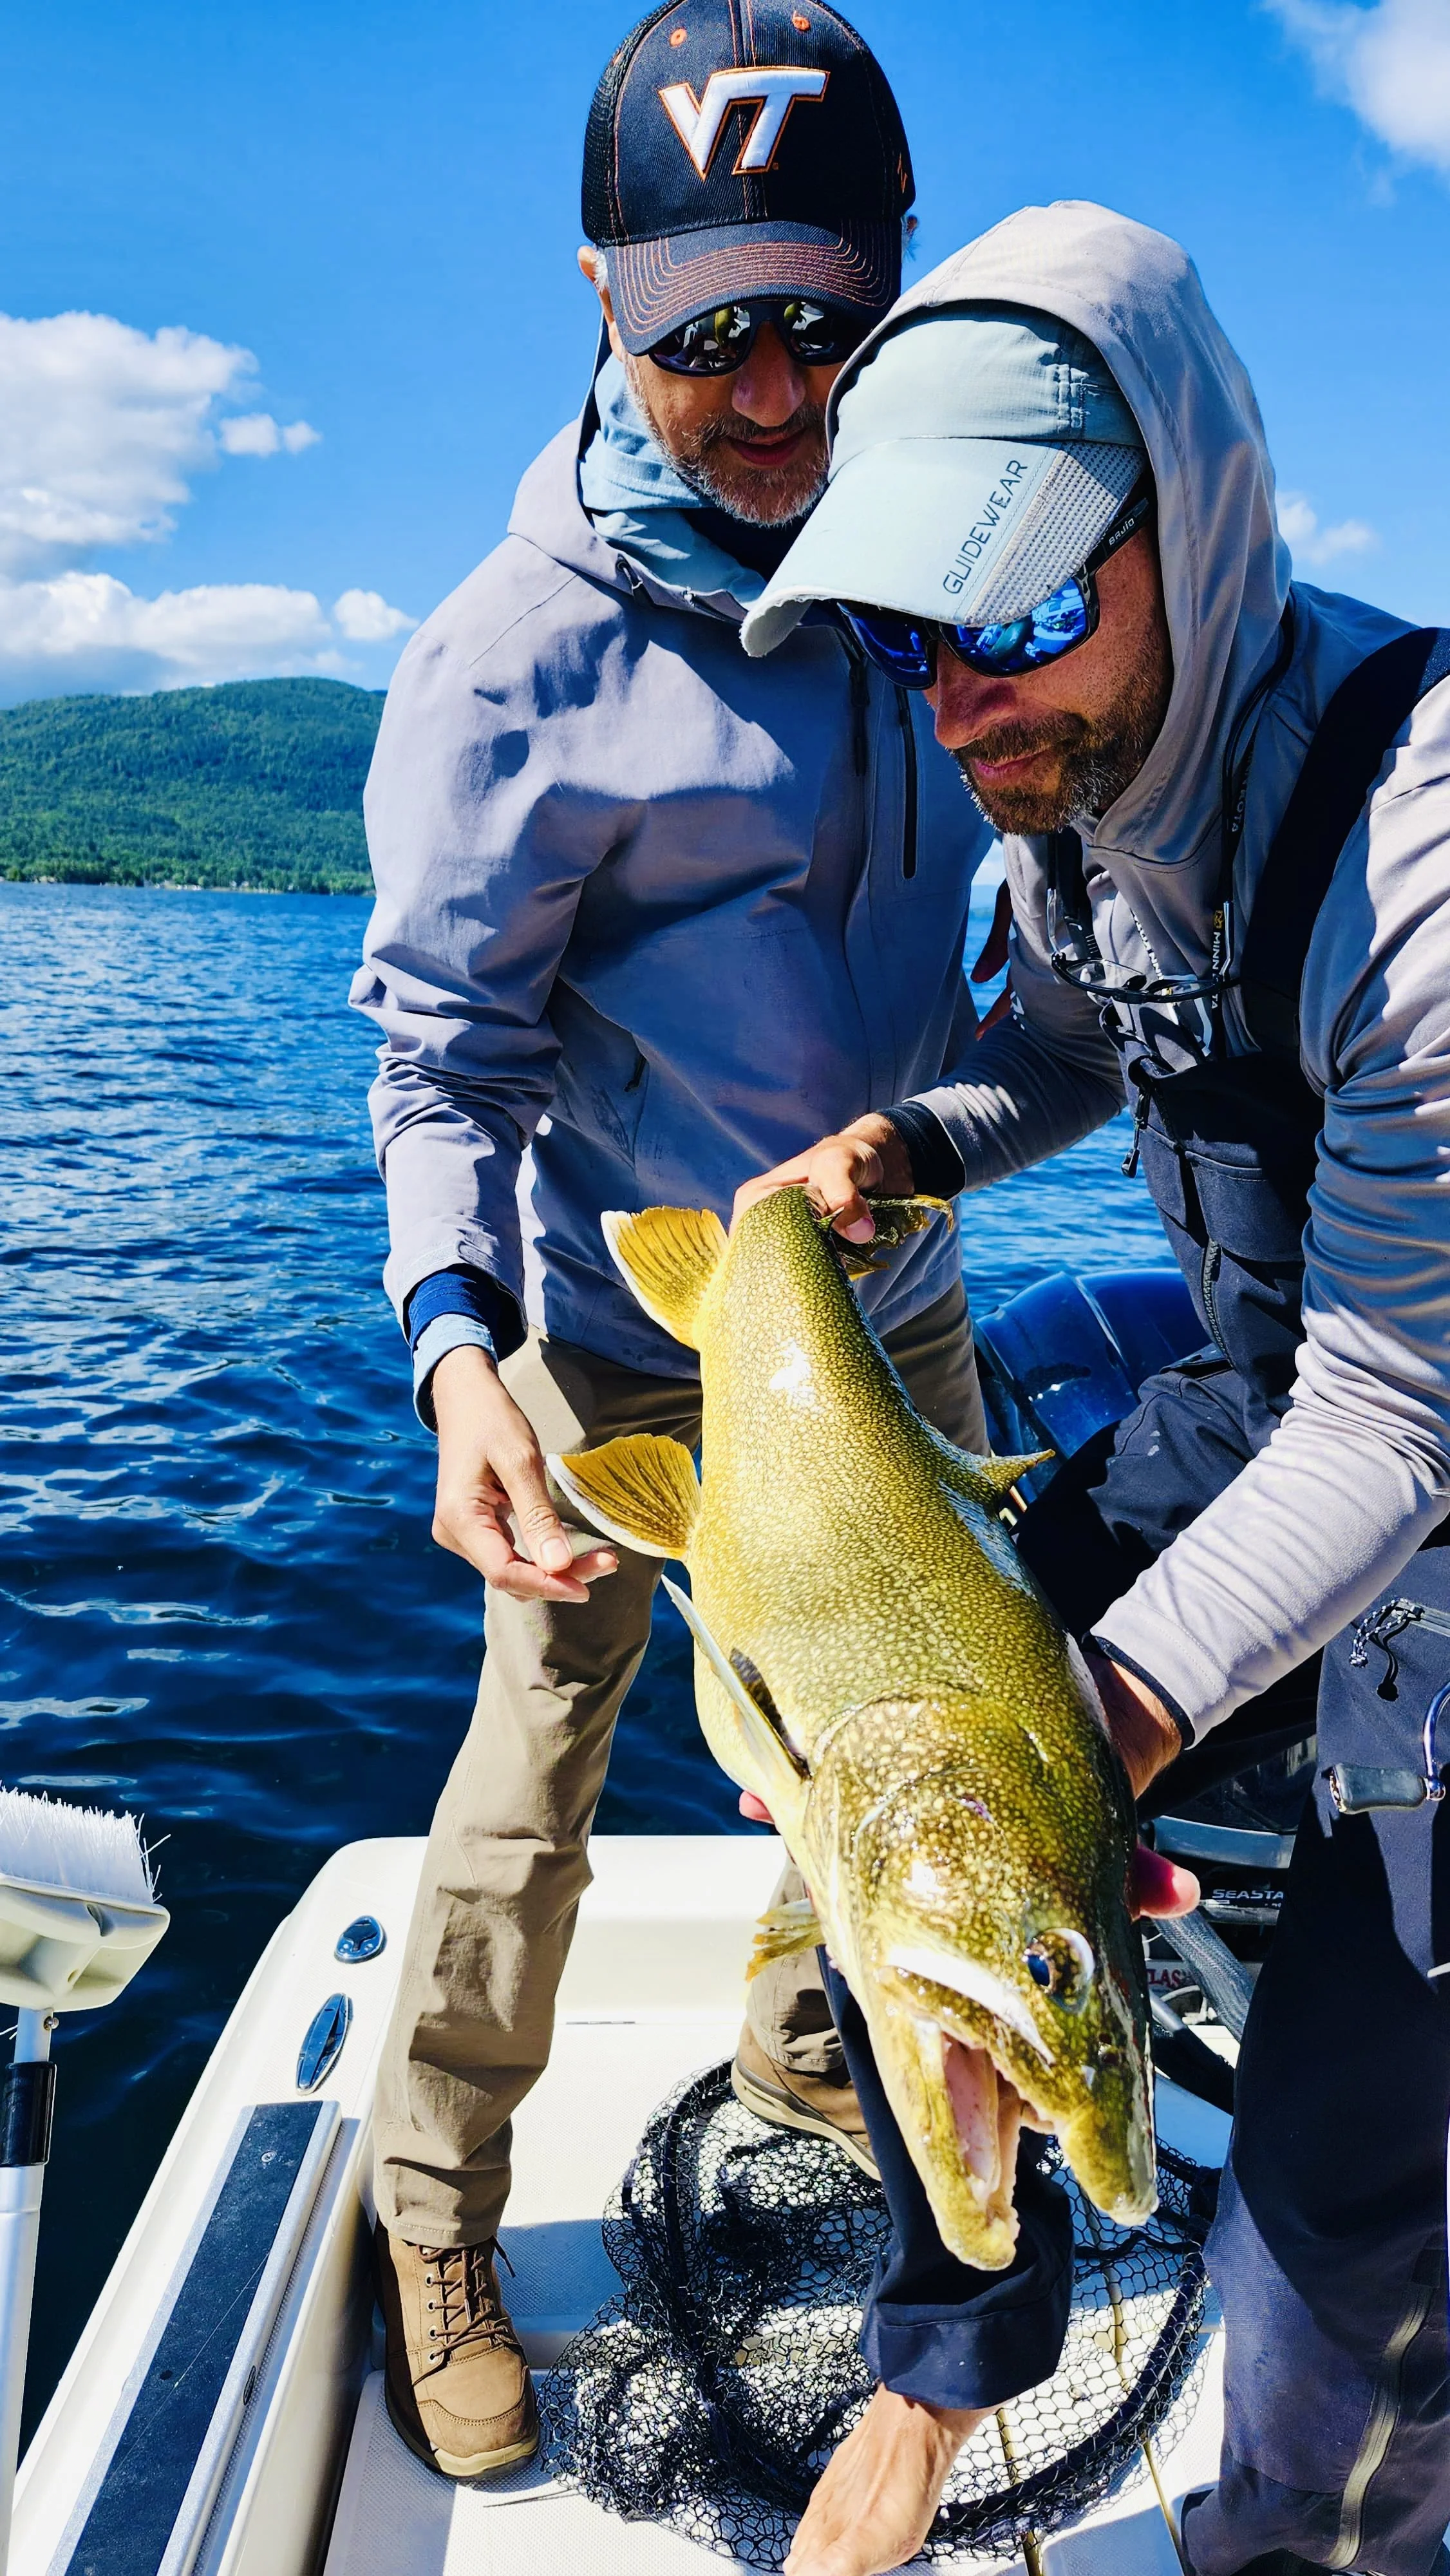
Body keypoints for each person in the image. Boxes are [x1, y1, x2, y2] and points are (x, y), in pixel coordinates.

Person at [736, 202, 1450, 2576]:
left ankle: (1309, 2537)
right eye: (917, 637)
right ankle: (956, 2360)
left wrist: (1092, 1721)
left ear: (1201, 509)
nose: (969, 698)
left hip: (1415, 1442)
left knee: (1349, 2189)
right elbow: (1057, 1042)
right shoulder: (1068, 804)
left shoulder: (1419, 858)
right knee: (890, 1802)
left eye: (1027, 607)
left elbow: (1393, 1423)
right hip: (1275, 1390)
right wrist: (918, 1144)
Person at [350, 0, 993, 2483]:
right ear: (598, 295)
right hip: (609, 1333)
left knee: (902, 1746)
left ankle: (806, 2041)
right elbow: (434, 1063)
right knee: (537, 1771)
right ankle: (434, 2204)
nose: (767, 388)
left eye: (821, 320)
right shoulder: (507, 655)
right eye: (703, 324)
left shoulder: (956, 575)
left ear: (899, 295)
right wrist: (455, 1350)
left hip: (891, 1305)